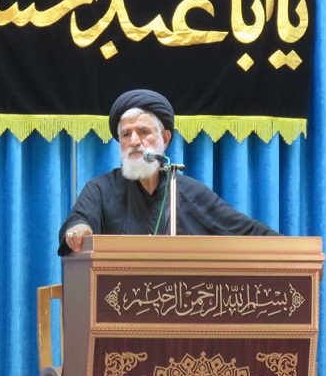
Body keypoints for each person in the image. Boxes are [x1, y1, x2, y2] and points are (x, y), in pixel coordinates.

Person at [58, 89, 281, 256]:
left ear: (164, 139)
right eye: (126, 134)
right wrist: (79, 230)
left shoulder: (188, 192)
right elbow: (78, 220)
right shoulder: (100, 189)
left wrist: (294, 255)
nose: (134, 141)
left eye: (143, 132)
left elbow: (244, 230)